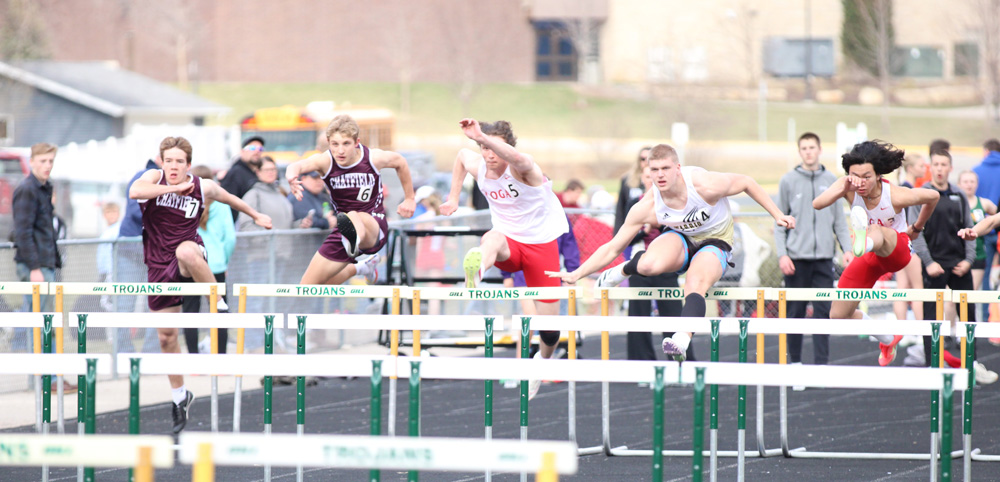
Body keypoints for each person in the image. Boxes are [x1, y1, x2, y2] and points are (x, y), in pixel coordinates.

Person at [548, 143, 795, 360]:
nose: (660, 175)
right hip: (681, 238)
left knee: (695, 282)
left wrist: (778, 215)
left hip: (715, 240)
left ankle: (682, 338)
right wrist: (577, 273)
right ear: (647, 173)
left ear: (678, 168)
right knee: (647, 266)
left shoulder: (705, 185)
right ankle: (623, 270)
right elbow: (613, 246)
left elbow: (747, 183)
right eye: (654, 170)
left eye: (665, 168)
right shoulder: (647, 205)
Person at [129, 136, 273, 434]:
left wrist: (256, 214)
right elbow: (135, 191)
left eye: (179, 162)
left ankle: (218, 302)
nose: (173, 166)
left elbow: (229, 197)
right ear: (162, 161)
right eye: (168, 160)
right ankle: (180, 396)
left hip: (190, 253)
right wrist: (171, 188)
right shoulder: (154, 178)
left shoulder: (201, 186)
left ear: (188, 165)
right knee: (167, 337)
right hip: (158, 264)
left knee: (185, 250)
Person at [438, 118, 569, 399]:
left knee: (549, 331)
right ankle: (477, 272)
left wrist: (486, 139)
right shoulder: (480, 165)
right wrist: (453, 198)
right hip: (509, 243)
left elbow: (518, 157)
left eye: (494, 148)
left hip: (541, 247)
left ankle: (542, 362)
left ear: (506, 147)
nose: (488, 155)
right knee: (492, 238)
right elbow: (462, 157)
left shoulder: (524, 169)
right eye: (483, 148)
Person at [812, 140, 939, 367]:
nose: (860, 182)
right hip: (871, 258)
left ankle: (864, 241)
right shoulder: (848, 187)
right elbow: (817, 204)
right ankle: (888, 338)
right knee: (838, 314)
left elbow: (933, 197)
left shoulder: (897, 195)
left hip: (897, 250)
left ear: (879, 175)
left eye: (866, 176)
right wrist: (843, 186)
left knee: (878, 230)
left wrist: (917, 227)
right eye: (855, 175)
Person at [285, 115, 415, 288]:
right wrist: (291, 176)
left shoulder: (373, 158)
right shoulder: (325, 161)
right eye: (335, 144)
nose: (340, 151)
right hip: (344, 229)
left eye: (346, 144)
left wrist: (409, 198)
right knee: (308, 286)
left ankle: (356, 238)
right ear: (329, 143)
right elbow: (297, 166)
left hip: (373, 225)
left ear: (356, 142)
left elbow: (400, 162)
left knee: (354, 213)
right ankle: (362, 267)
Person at [911, 150, 996, 383]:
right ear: (931, 166)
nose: (939, 168)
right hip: (934, 265)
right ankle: (932, 367)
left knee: (967, 317)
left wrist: (968, 261)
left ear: (950, 168)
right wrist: (928, 263)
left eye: (944, 164)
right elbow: (915, 233)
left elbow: (969, 227)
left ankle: (972, 366)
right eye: (936, 164)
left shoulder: (958, 194)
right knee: (932, 318)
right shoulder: (923, 194)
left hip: (960, 266)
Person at [775, 133, 853, 372]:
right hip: (796, 260)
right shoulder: (788, 181)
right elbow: (779, 221)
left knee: (824, 312)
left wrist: (847, 250)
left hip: (823, 260)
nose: (808, 152)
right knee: (795, 313)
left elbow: (839, 221)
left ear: (820, 150)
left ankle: (821, 367)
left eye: (812, 147)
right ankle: (796, 364)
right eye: (804, 148)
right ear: (800, 152)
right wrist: (782, 254)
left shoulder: (832, 180)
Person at [615, 148, 685, 361]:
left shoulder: (674, 199)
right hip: (640, 261)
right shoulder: (635, 205)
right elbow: (620, 235)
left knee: (673, 314)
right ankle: (641, 363)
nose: (653, 178)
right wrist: (643, 231)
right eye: (647, 175)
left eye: (657, 171)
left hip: (666, 263)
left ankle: (680, 361)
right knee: (638, 316)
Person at [182, 166, 236, 355]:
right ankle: (220, 358)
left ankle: (194, 361)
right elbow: (230, 238)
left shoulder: (184, 203)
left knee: (190, 312)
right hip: (216, 266)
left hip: (190, 265)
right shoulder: (221, 206)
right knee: (220, 312)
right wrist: (224, 260)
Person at [11, 143, 60, 351]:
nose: (47, 165)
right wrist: (34, 268)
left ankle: (49, 375)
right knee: (42, 323)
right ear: (31, 162)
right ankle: (44, 377)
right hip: (35, 265)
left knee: (48, 321)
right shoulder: (27, 189)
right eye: (43, 161)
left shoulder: (45, 187)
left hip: (45, 263)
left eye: (50, 161)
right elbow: (23, 232)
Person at [892, 152, 928, 324]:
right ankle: (922, 336)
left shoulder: (899, 188)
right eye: (921, 166)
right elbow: (911, 221)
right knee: (917, 289)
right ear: (911, 168)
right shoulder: (907, 191)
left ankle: (902, 332)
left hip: (899, 244)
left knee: (902, 289)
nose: (925, 169)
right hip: (909, 244)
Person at [958, 170, 997, 324]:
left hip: (978, 255)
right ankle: (952, 332)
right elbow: (992, 222)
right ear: (959, 184)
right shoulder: (954, 202)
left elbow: (993, 220)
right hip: (956, 256)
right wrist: (973, 232)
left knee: (969, 295)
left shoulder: (984, 203)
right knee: (951, 297)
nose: (969, 185)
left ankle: (967, 332)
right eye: (965, 181)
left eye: (972, 181)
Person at [973, 139, 1000, 325]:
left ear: (986, 151)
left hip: (984, 231)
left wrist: (973, 231)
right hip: (996, 231)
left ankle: (985, 320)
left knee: (984, 276)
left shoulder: (976, 171)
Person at [220, 136, 266, 219]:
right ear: (242, 151)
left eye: (260, 149)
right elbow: (227, 201)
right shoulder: (236, 173)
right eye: (252, 148)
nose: (257, 151)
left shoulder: (255, 173)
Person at [96, 202, 121, 312]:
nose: (111, 215)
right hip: (105, 272)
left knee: (108, 301)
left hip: (114, 271)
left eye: (114, 212)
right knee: (104, 301)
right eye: (108, 212)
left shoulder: (118, 229)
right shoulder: (106, 232)